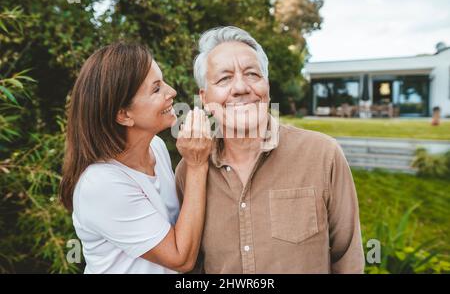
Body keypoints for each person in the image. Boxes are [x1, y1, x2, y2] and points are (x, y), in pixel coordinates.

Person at [175, 26, 365, 274]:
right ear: (206, 99)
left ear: (267, 86)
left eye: (252, 74)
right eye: (224, 79)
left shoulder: (322, 154)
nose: (241, 87)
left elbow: (348, 258)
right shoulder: (190, 171)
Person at [60, 42, 212, 274]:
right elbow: (181, 258)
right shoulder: (101, 184)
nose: (171, 92)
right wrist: (197, 164)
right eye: (156, 89)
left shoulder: (156, 147)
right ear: (124, 115)